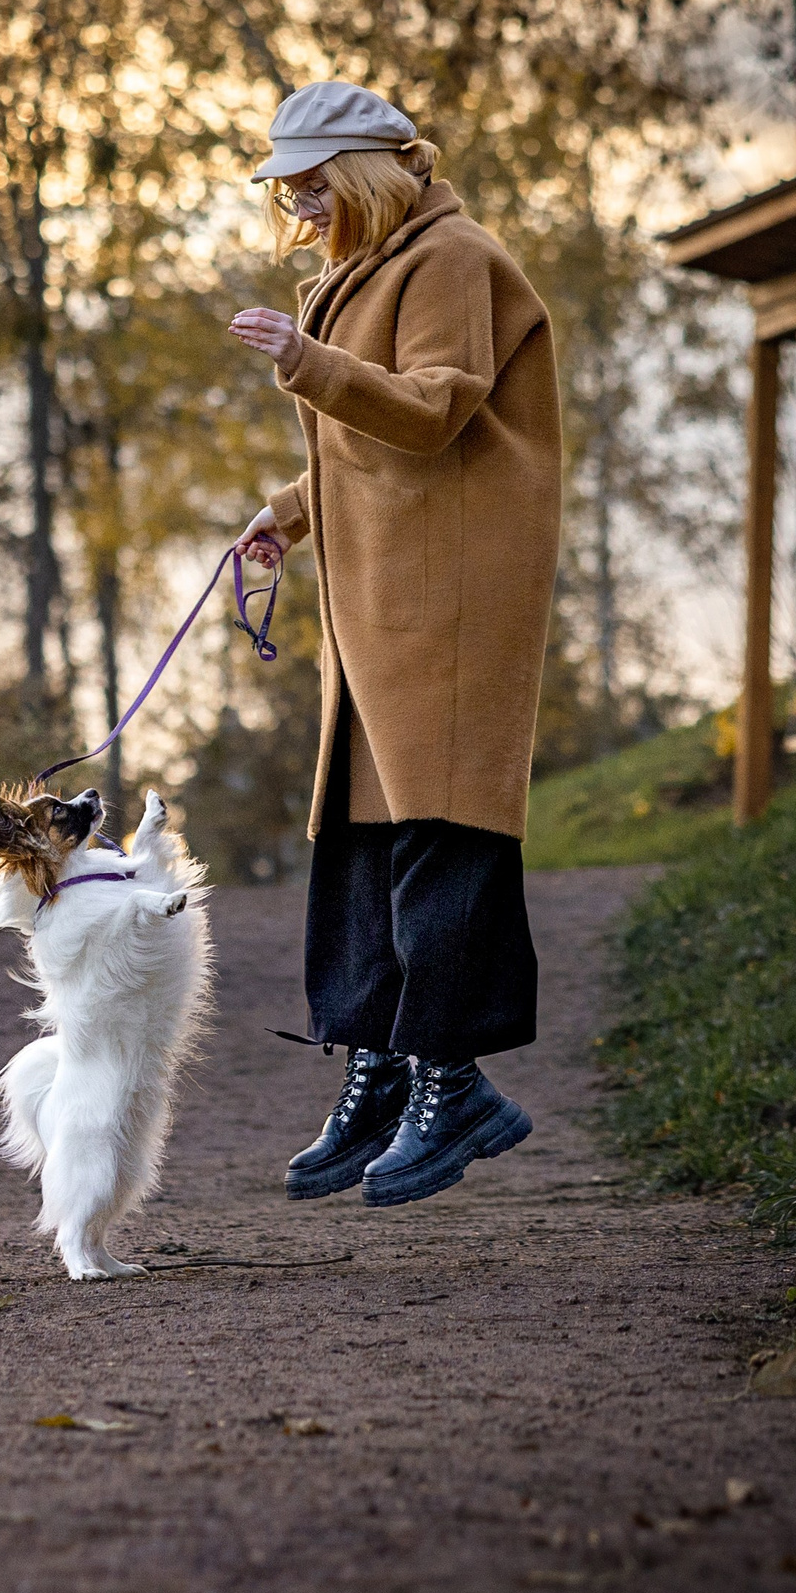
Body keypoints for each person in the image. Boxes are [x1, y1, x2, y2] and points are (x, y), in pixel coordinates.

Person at [226, 81, 562, 1209]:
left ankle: (453, 1081)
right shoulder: (365, 271)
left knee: (442, 829)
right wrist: (288, 509)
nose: (299, 208)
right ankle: (378, 1065)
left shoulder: (450, 258)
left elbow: (431, 411)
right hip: (382, 594)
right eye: (290, 191)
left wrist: (303, 360)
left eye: (313, 185)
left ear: (368, 174)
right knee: (364, 837)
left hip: (452, 595)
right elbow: (359, 448)